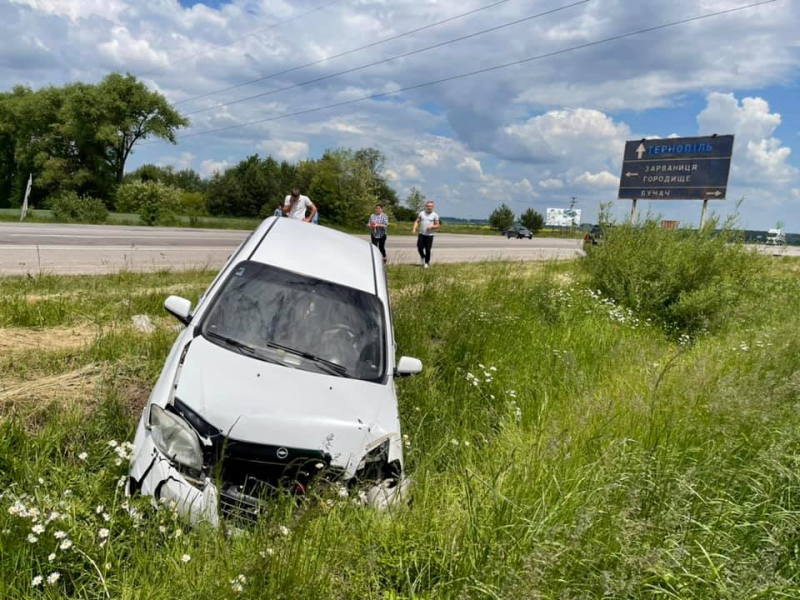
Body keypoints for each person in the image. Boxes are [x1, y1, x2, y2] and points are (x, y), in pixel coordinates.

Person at [412, 201, 440, 268]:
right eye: (428, 206)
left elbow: (438, 225)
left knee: (428, 249)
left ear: (433, 207)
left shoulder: (435, 215)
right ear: (426, 206)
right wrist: (414, 229)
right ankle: (422, 256)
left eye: (431, 206)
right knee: (419, 247)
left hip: (429, 235)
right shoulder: (421, 213)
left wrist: (432, 227)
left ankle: (426, 263)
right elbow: (417, 221)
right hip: (421, 234)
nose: (429, 207)